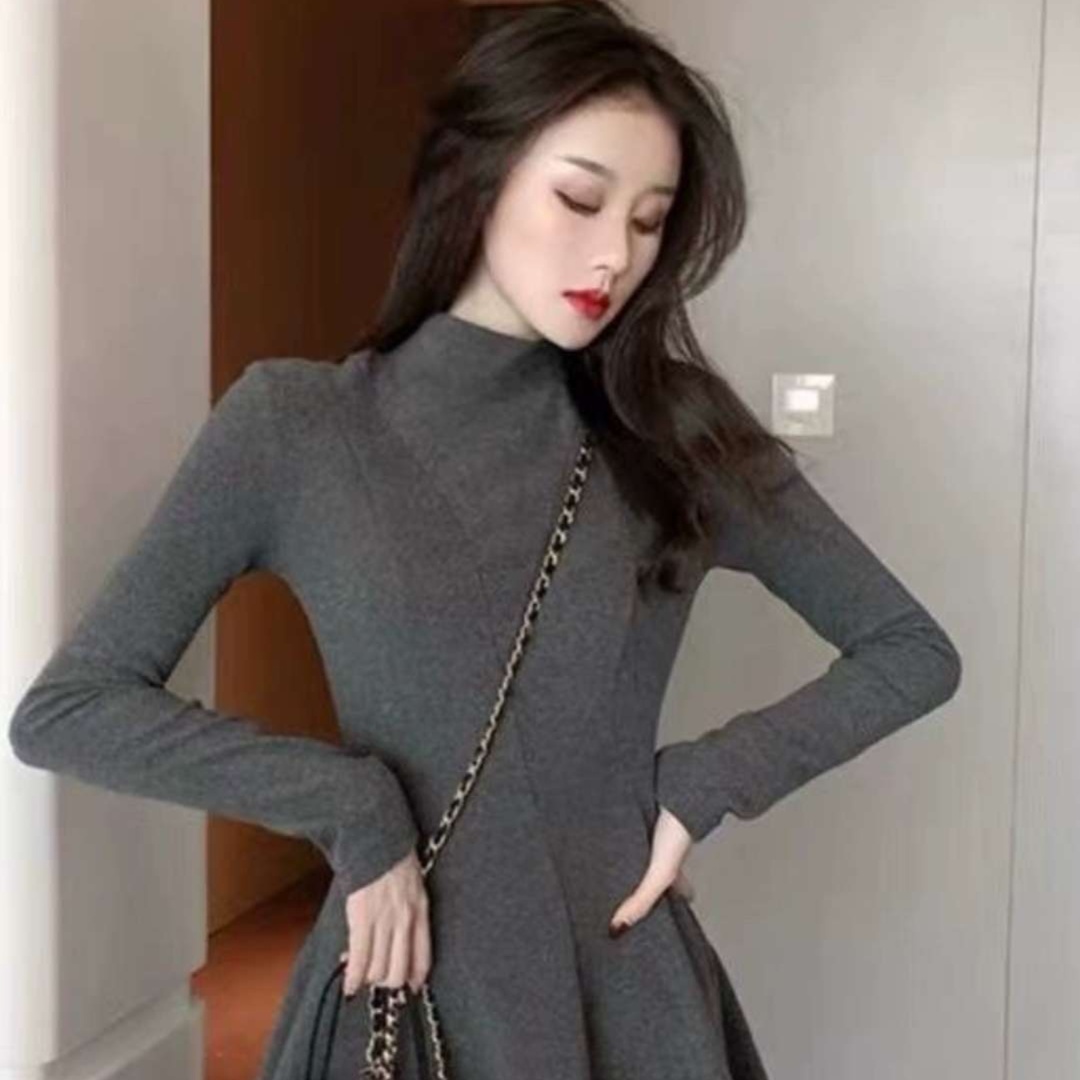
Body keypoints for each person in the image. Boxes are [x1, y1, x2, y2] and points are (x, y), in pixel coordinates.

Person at [7, 2, 962, 1078]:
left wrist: (706, 781)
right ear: (479, 174)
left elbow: (910, 651)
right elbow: (70, 710)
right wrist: (348, 802)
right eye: (580, 198)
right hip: (399, 994)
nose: (615, 253)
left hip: (623, 999)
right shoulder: (297, 427)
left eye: (650, 221)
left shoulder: (677, 431)